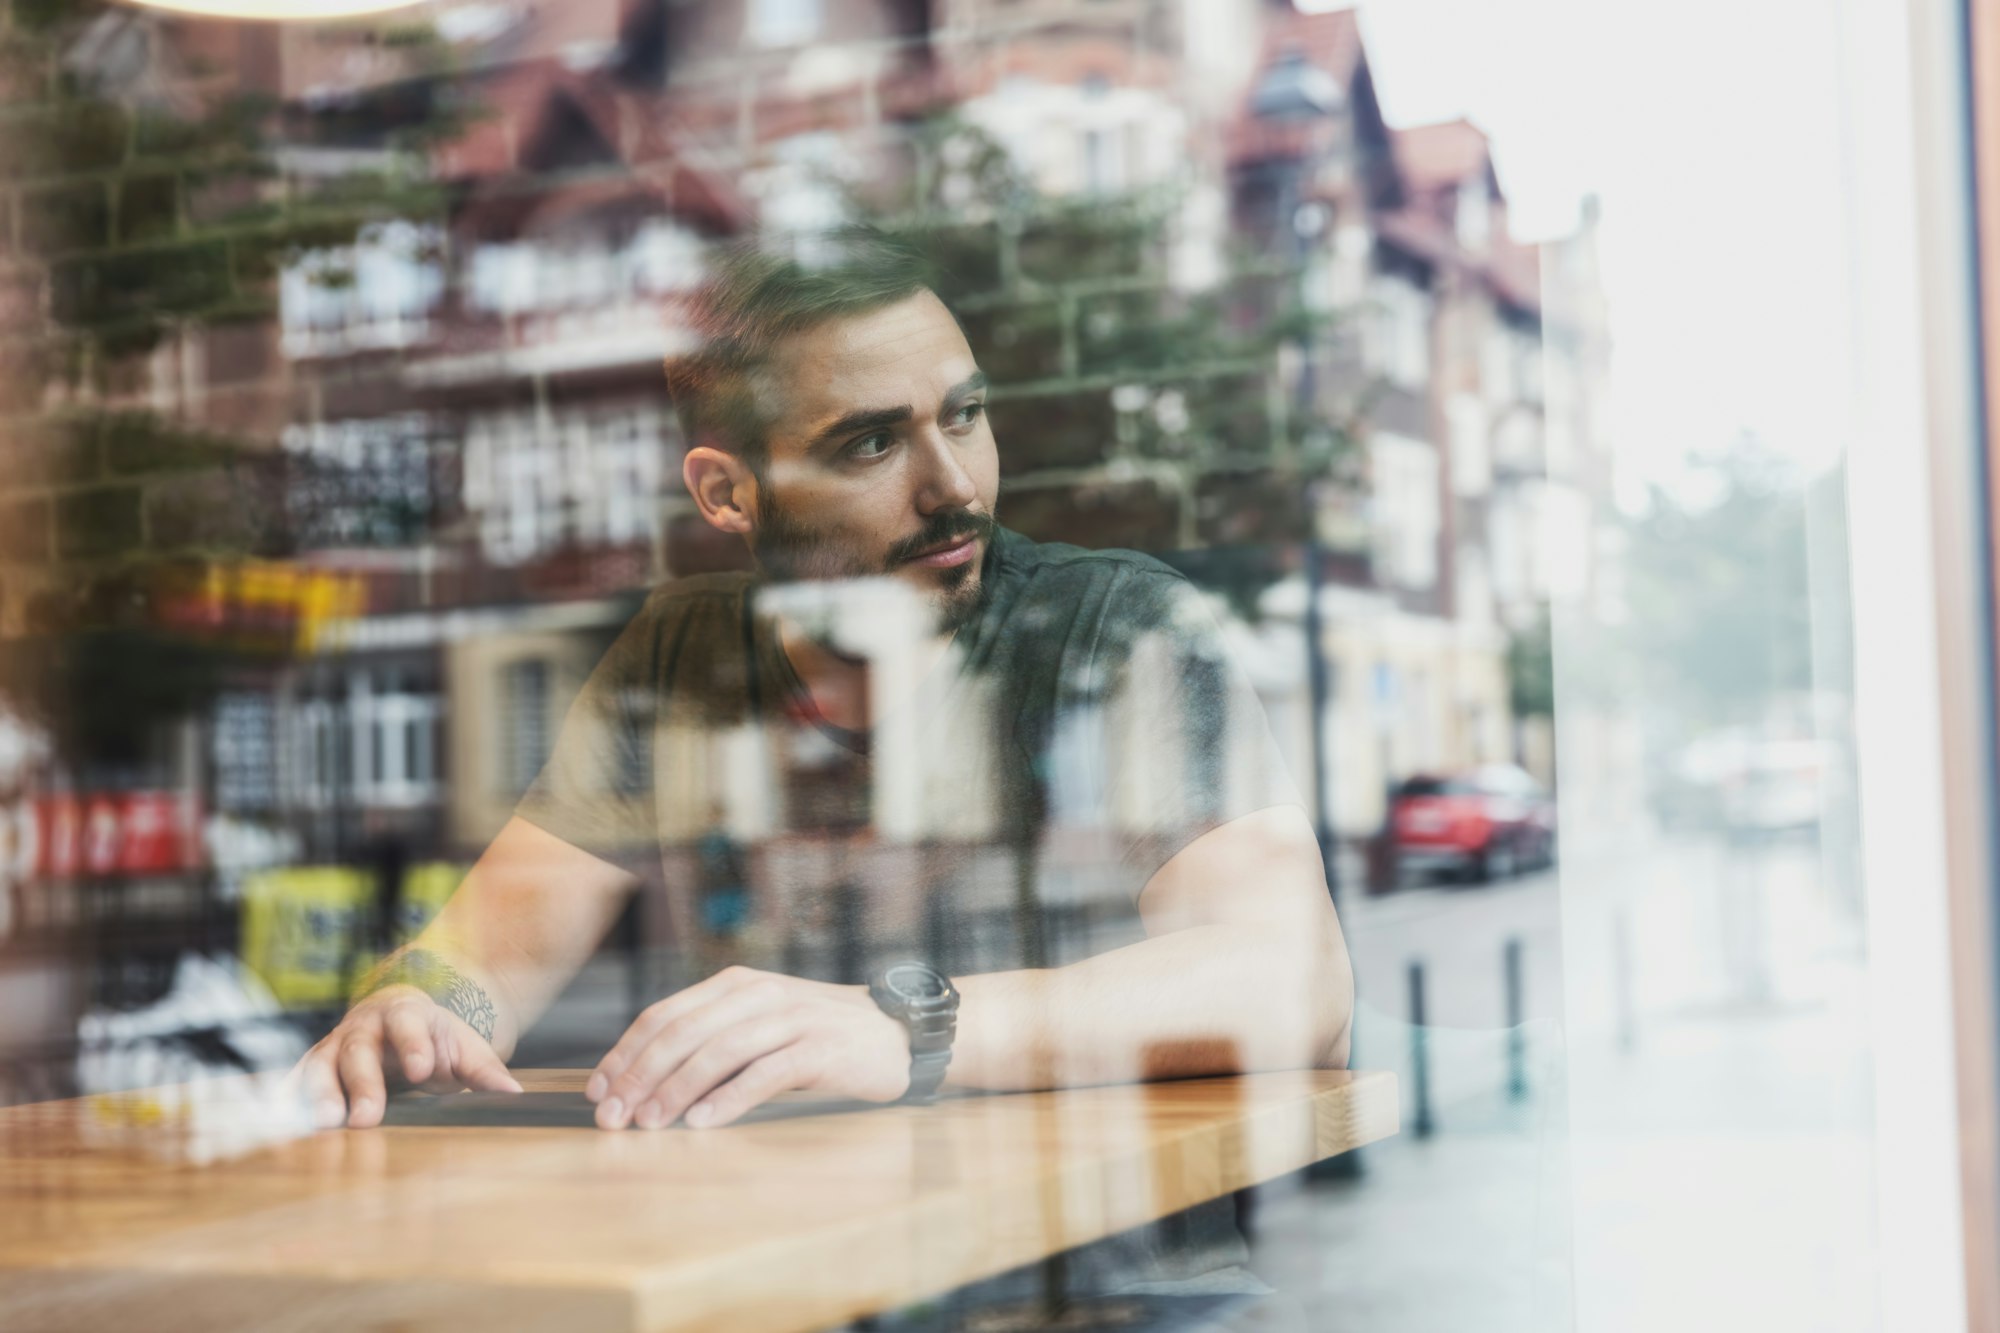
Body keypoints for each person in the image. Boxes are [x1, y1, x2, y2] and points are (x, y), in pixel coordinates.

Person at [293, 230, 1353, 1144]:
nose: (953, 486)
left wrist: (899, 1025)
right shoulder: (679, 653)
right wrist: (416, 1008)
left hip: (1081, 1286)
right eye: (874, 443)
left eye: (965, 414)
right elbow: (490, 957)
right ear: (726, 493)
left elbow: (1292, 980)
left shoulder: (1110, 628)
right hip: (791, 1268)